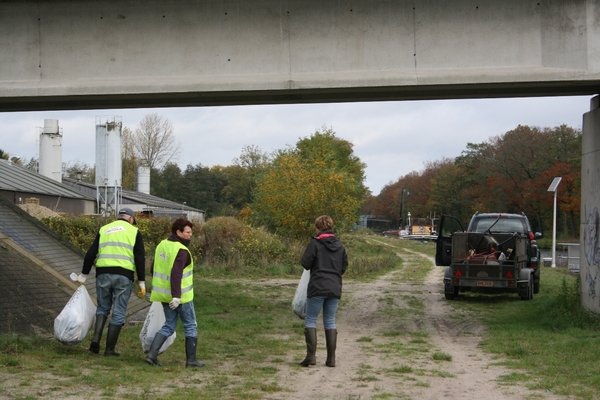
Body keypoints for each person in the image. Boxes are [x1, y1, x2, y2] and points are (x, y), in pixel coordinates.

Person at [78, 207, 146, 356]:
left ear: (119, 217)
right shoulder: (134, 231)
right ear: (131, 219)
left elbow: (90, 253)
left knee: (102, 307)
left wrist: (84, 274)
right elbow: (140, 258)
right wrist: (142, 282)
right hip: (123, 276)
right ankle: (109, 349)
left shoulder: (104, 229)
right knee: (119, 311)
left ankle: (95, 340)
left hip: (103, 274)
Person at [145, 217, 205, 368]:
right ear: (178, 232)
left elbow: (153, 269)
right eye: (187, 232)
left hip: (164, 295)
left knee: (169, 325)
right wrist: (177, 296)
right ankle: (191, 360)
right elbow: (176, 274)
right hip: (181, 297)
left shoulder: (162, 245)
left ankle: (152, 355)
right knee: (190, 325)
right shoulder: (182, 250)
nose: (190, 235)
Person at [299, 215, 348, 367]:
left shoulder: (315, 243)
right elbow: (344, 267)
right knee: (330, 320)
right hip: (334, 287)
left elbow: (305, 263)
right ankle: (331, 359)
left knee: (311, 319)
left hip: (317, 286)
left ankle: (311, 357)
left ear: (318, 227)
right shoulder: (340, 245)